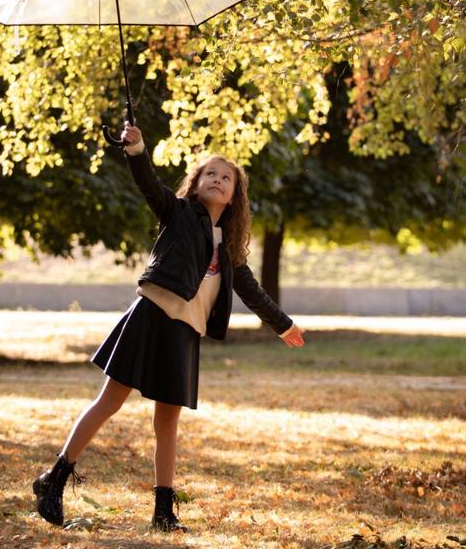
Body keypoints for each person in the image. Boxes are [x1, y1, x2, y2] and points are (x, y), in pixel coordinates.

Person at [32, 123, 305, 532]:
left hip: (184, 334)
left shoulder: (229, 250)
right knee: (109, 402)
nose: (217, 179)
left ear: (234, 196)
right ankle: (53, 479)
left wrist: (284, 326)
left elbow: (253, 292)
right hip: (150, 317)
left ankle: (163, 513)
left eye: (226, 177)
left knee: (167, 424)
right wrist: (137, 148)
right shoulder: (178, 214)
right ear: (196, 184)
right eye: (210, 174)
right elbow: (149, 184)